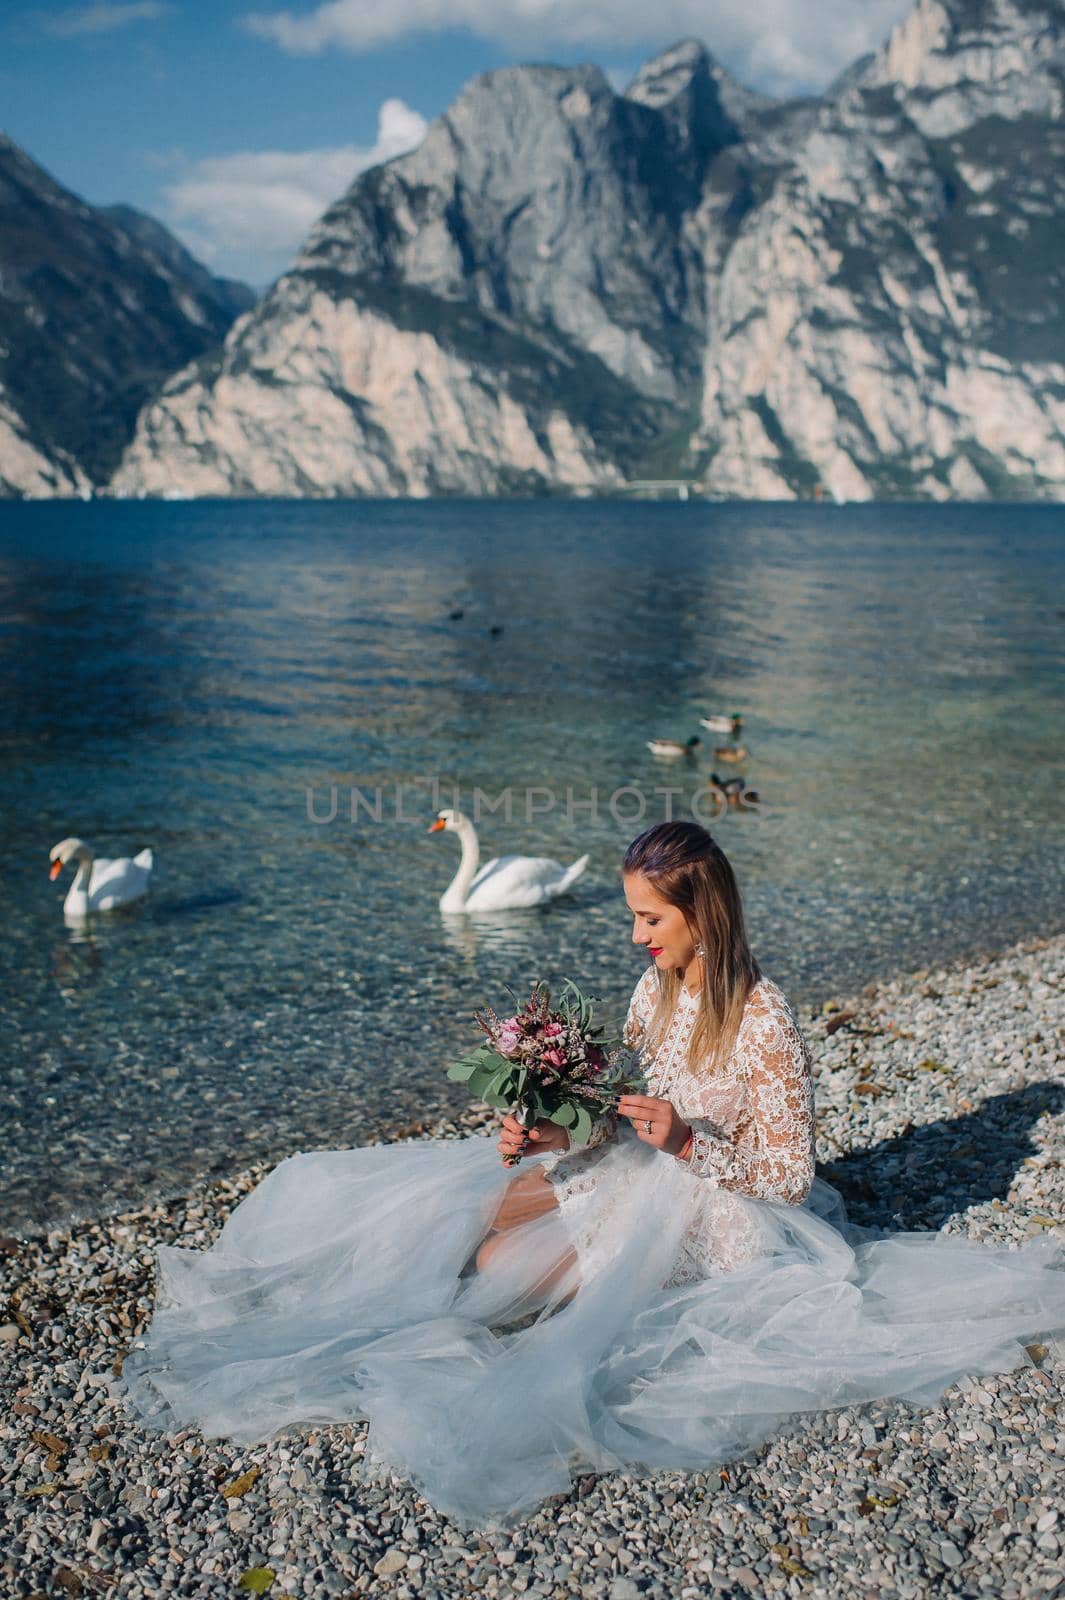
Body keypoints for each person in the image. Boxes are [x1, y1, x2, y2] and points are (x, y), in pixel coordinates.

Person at [118, 822, 1065, 1532]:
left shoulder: (765, 1019)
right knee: (479, 1212)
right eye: (632, 918)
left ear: (704, 914)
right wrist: (548, 1131)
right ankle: (411, 1303)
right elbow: (619, 1106)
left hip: (714, 1208)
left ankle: (437, 1339)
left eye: (650, 919)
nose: (636, 936)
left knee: (501, 1271)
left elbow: (785, 1173)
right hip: (636, 1164)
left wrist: (689, 1146)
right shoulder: (654, 990)